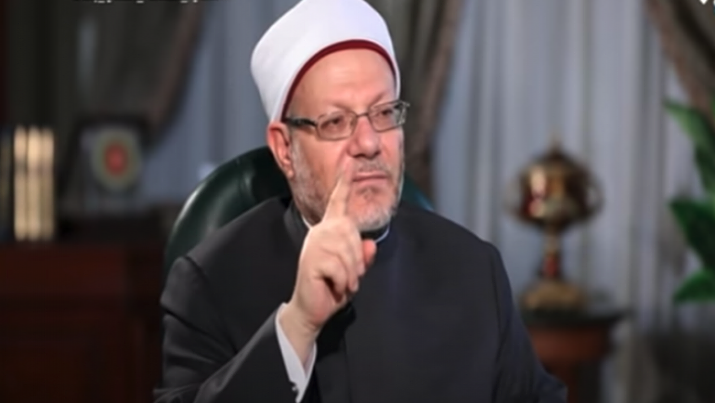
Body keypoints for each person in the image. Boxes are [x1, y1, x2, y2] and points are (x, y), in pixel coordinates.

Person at [154, 0, 567, 402]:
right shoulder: (209, 283)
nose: (369, 143)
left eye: (384, 113)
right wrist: (297, 324)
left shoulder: (474, 271)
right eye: (336, 122)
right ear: (284, 149)